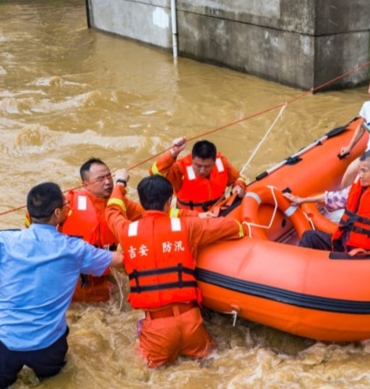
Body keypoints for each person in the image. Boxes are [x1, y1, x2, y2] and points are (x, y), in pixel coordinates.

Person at [0, 182, 123, 389]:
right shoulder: (75, 249)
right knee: (54, 388)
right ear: (58, 213)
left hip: (3, 339)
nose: (69, 207)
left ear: (28, 212)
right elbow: (118, 260)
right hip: (48, 342)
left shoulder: (4, 242)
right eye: (66, 204)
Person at [105, 172, 244, 368]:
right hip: (192, 322)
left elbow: (112, 210)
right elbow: (233, 227)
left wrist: (120, 183)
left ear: (142, 203)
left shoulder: (127, 231)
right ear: (169, 201)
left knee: (145, 371)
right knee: (211, 363)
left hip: (157, 329)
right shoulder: (188, 226)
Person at [284, 149, 370, 252]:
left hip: (366, 253)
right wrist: (302, 200)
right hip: (345, 244)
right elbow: (332, 197)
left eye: (364, 171)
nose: (359, 175)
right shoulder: (357, 187)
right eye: (359, 170)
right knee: (309, 236)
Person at [59, 158, 144, 303]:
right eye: (100, 179)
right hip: (71, 281)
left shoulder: (121, 204)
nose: (108, 182)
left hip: (103, 280)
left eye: (109, 176)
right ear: (86, 185)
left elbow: (151, 216)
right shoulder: (69, 202)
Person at [151, 138, 246, 212]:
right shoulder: (180, 168)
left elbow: (238, 178)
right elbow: (155, 173)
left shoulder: (222, 163)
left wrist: (238, 186)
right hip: (191, 218)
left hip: (219, 212)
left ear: (214, 162)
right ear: (192, 160)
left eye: (207, 167)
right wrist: (172, 153)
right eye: (198, 166)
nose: (202, 170)